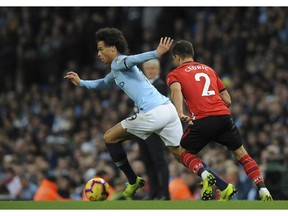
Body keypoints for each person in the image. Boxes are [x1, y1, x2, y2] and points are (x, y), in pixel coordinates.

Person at [64, 27, 234, 200]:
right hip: (168, 110)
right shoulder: (116, 71)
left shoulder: (119, 61)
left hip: (153, 113)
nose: (99, 53)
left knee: (109, 138)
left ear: (113, 48)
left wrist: (156, 53)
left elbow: (133, 59)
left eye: (101, 49)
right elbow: (102, 83)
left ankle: (132, 180)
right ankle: (222, 185)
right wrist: (81, 82)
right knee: (181, 154)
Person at [166, 39, 273, 201]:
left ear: (176, 57)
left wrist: (181, 112)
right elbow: (227, 100)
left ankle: (204, 173)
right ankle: (263, 189)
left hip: (202, 119)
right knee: (242, 154)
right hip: (223, 116)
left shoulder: (175, 74)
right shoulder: (209, 70)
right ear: (192, 54)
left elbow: (176, 91)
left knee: (181, 152)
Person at [137, 59, 170, 200]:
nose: (150, 71)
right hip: (141, 127)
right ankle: (154, 192)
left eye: (152, 68)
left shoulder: (161, 85)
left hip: (154, 127)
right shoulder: (143, 85)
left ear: (158, 70)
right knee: (148, 162)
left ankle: (164, 194)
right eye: (148, 68)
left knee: (159, 161)